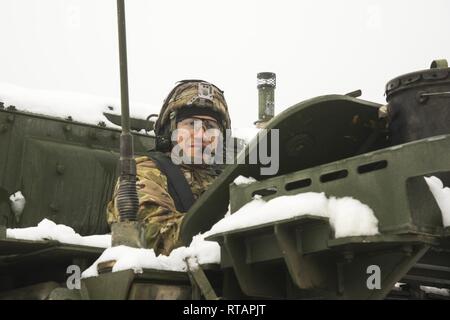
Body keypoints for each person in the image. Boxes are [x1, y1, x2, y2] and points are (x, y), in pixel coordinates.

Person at [106, 80, 231, 256]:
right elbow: (153, 237)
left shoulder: (229, 179)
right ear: (170, 130)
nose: (202, 135)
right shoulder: (148, 171)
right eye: (190, 124)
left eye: (211, 127)